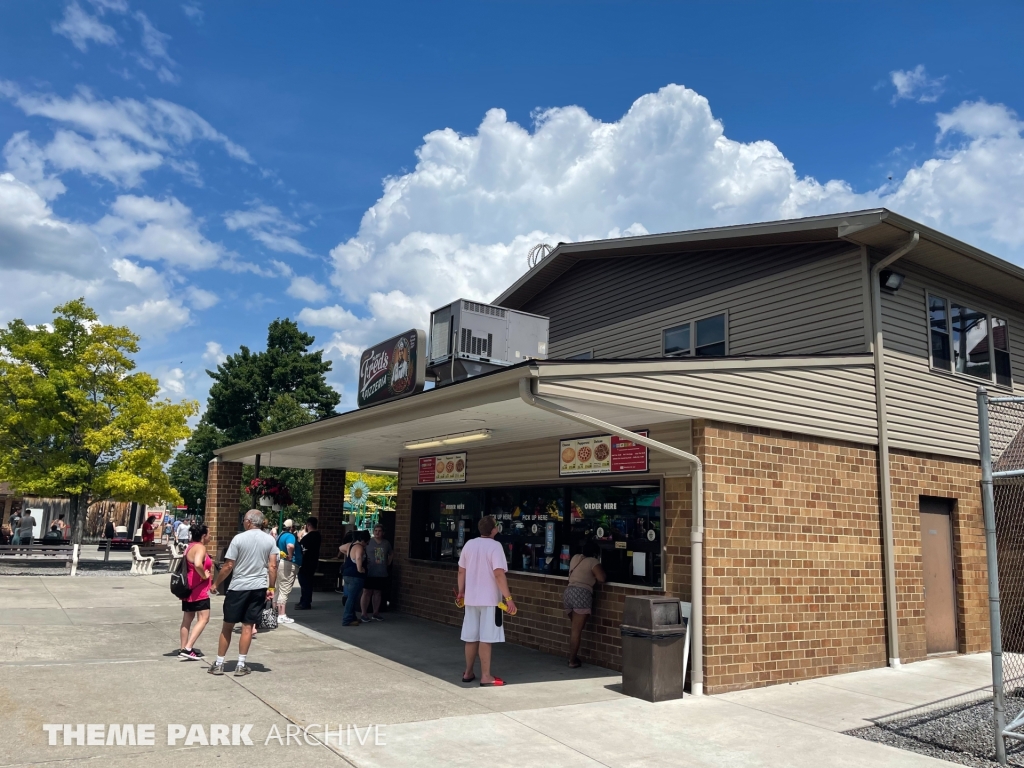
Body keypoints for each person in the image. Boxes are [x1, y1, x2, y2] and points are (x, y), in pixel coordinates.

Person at [209, 509, 277, 676]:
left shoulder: (238, 539)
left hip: (238, 587)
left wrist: (216, 583)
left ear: (248, 521)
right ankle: (241, 664)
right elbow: (273, 566)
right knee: (248, 626)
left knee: (227, 626)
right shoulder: (270, 540)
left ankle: (219, 663)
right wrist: (271, 587)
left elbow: (228, 565)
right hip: (258, 587)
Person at [457, 515, 516, 686]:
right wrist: (509, 598)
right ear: (493, 530)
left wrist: (461, 592)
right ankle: (486, 676)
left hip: (471, 599)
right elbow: (498, 574)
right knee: (486, 638)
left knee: (471, 637)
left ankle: (468, 672)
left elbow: (461, 570)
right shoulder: (495, 546)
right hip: (490, 600)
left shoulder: (469, 544)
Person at [563, 541, 607, 668]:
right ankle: (572, 661)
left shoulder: (576, 557)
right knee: (576, 631)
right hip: (581, 595)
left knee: (575, 629)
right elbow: (601, 578)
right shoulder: (593, 561)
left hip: (568, 593)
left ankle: (573, 657)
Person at [179, 524, 213, 661]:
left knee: (187, 619)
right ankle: (188, 648)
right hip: (199, 590)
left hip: (189, 589)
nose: (211, 536)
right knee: (204, 618)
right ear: (203, 536)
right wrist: (204, 576)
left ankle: (183, 648)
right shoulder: (200, 547)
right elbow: (198, 564)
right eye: (209, 534)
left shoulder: (190, 547)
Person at [360, 524, 393, 621]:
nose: (377, 532)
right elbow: (360, 551)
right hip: (369, 571)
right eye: (375, 531)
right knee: (367, 592)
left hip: (381, 571)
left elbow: (391, 553)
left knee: (378, 592)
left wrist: (388, 563)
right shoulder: (369, 542)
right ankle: (364, 613)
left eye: (379, 531)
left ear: (383, 533)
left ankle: (376, 612)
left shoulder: (386, 543)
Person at [339, 531, 369, 626]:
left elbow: (340, 548)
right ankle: (347, 619)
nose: (367, 544)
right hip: (355, 576)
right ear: (363, 540)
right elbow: (359, 558)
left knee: (350, 597)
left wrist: (347, 554)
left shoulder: (350, 545)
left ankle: (352, 617)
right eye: (367, 542)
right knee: (352, 598)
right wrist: (360, 569)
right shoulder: (360, 547)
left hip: (347, 574)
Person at [274, 519, 300, 624]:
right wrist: (290, 555)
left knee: (278, 588)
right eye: (294, 527)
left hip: (280, 563)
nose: (295, 529)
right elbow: (290, 546)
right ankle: (282, 615)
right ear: (291, 528)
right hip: (289, 564)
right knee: (285, 589)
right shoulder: (290, 536)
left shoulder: (280, 536)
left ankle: (275, 612)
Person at [295, 517, 321, 610]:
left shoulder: (309, 537)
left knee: (305, 583)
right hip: (312, 562)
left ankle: (305, 602)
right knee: (307, 583)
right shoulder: (318, 536)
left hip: (305, 563)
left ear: (308, 525)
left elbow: (302, 550)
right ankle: (304, 601)